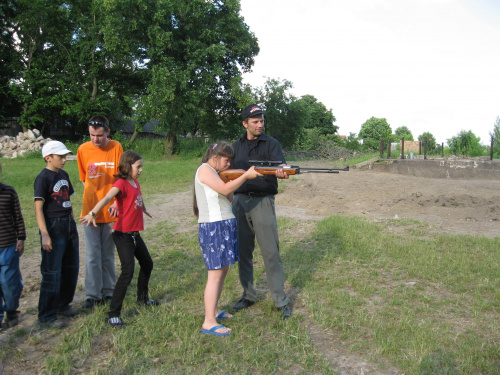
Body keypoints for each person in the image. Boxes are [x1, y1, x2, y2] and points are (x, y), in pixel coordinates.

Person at [80, 151, 159, 328]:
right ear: (127, 166)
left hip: (134, 234)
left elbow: (138, 197)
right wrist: (93, 213)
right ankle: (113, 314)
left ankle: (143, 299)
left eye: (141, 166)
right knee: (127, 272)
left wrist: (144, 209)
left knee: (147, 263)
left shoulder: (134, 182)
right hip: (123, 235)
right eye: (138, 167)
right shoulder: (121, 183)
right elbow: (107, 198)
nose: (141, 170)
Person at [230, 104, 292, 319]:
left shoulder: (272, 144)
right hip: (239, 202)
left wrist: (282, 172)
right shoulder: (235, 146)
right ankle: (248, 295)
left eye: (262, 121)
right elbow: (225, 172)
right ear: (244, 123)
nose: (260, 125)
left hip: (262, 201)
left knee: (271, 252)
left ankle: (280, 300)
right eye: (255, 121)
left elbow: (281, 166)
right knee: (243, 252)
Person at [194, 142, 262, 336]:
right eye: (227, 160)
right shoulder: (205, 170)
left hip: (223, 224)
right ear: (215, 157)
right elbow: (224, 191)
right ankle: (209, 321)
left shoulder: (214, 173)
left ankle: (214, 310)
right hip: (214, 226)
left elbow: (229, 196)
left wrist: (234, 179)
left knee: (222, 270)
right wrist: (245, 176)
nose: (229, 164)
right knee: (215, 274)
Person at [77, 115, 123, 309]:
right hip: (90, 212)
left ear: (108, 132)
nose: (95, 139)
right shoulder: (83, 150)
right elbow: (83, 179)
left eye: (99, 135)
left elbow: (122, 179)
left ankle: (109, 291)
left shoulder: (116, 148)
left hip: (111, 211)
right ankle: (93, 295)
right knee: (93, 255)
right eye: (92, 135)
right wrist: (92, 205)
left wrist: (116, 202)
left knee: (108, 254)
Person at [34, 141, 79, 327]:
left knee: (71, 268)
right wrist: (45, 233)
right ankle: (47, 315)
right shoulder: (43, 178)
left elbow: (68, 200)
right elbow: (38, 208)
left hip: (68, 225)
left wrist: (72, 221)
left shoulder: (64, 174)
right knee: (52, 271)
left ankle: (63, 304)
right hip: (54, 227)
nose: (64, 159)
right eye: (60, 156)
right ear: (48, 158)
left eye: (65, 156)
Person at [0, 163, 26, 329]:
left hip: (8, 245)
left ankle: (12, 310)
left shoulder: (8, 192)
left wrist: (21, 237)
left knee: (9, 282)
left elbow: (18, 216)